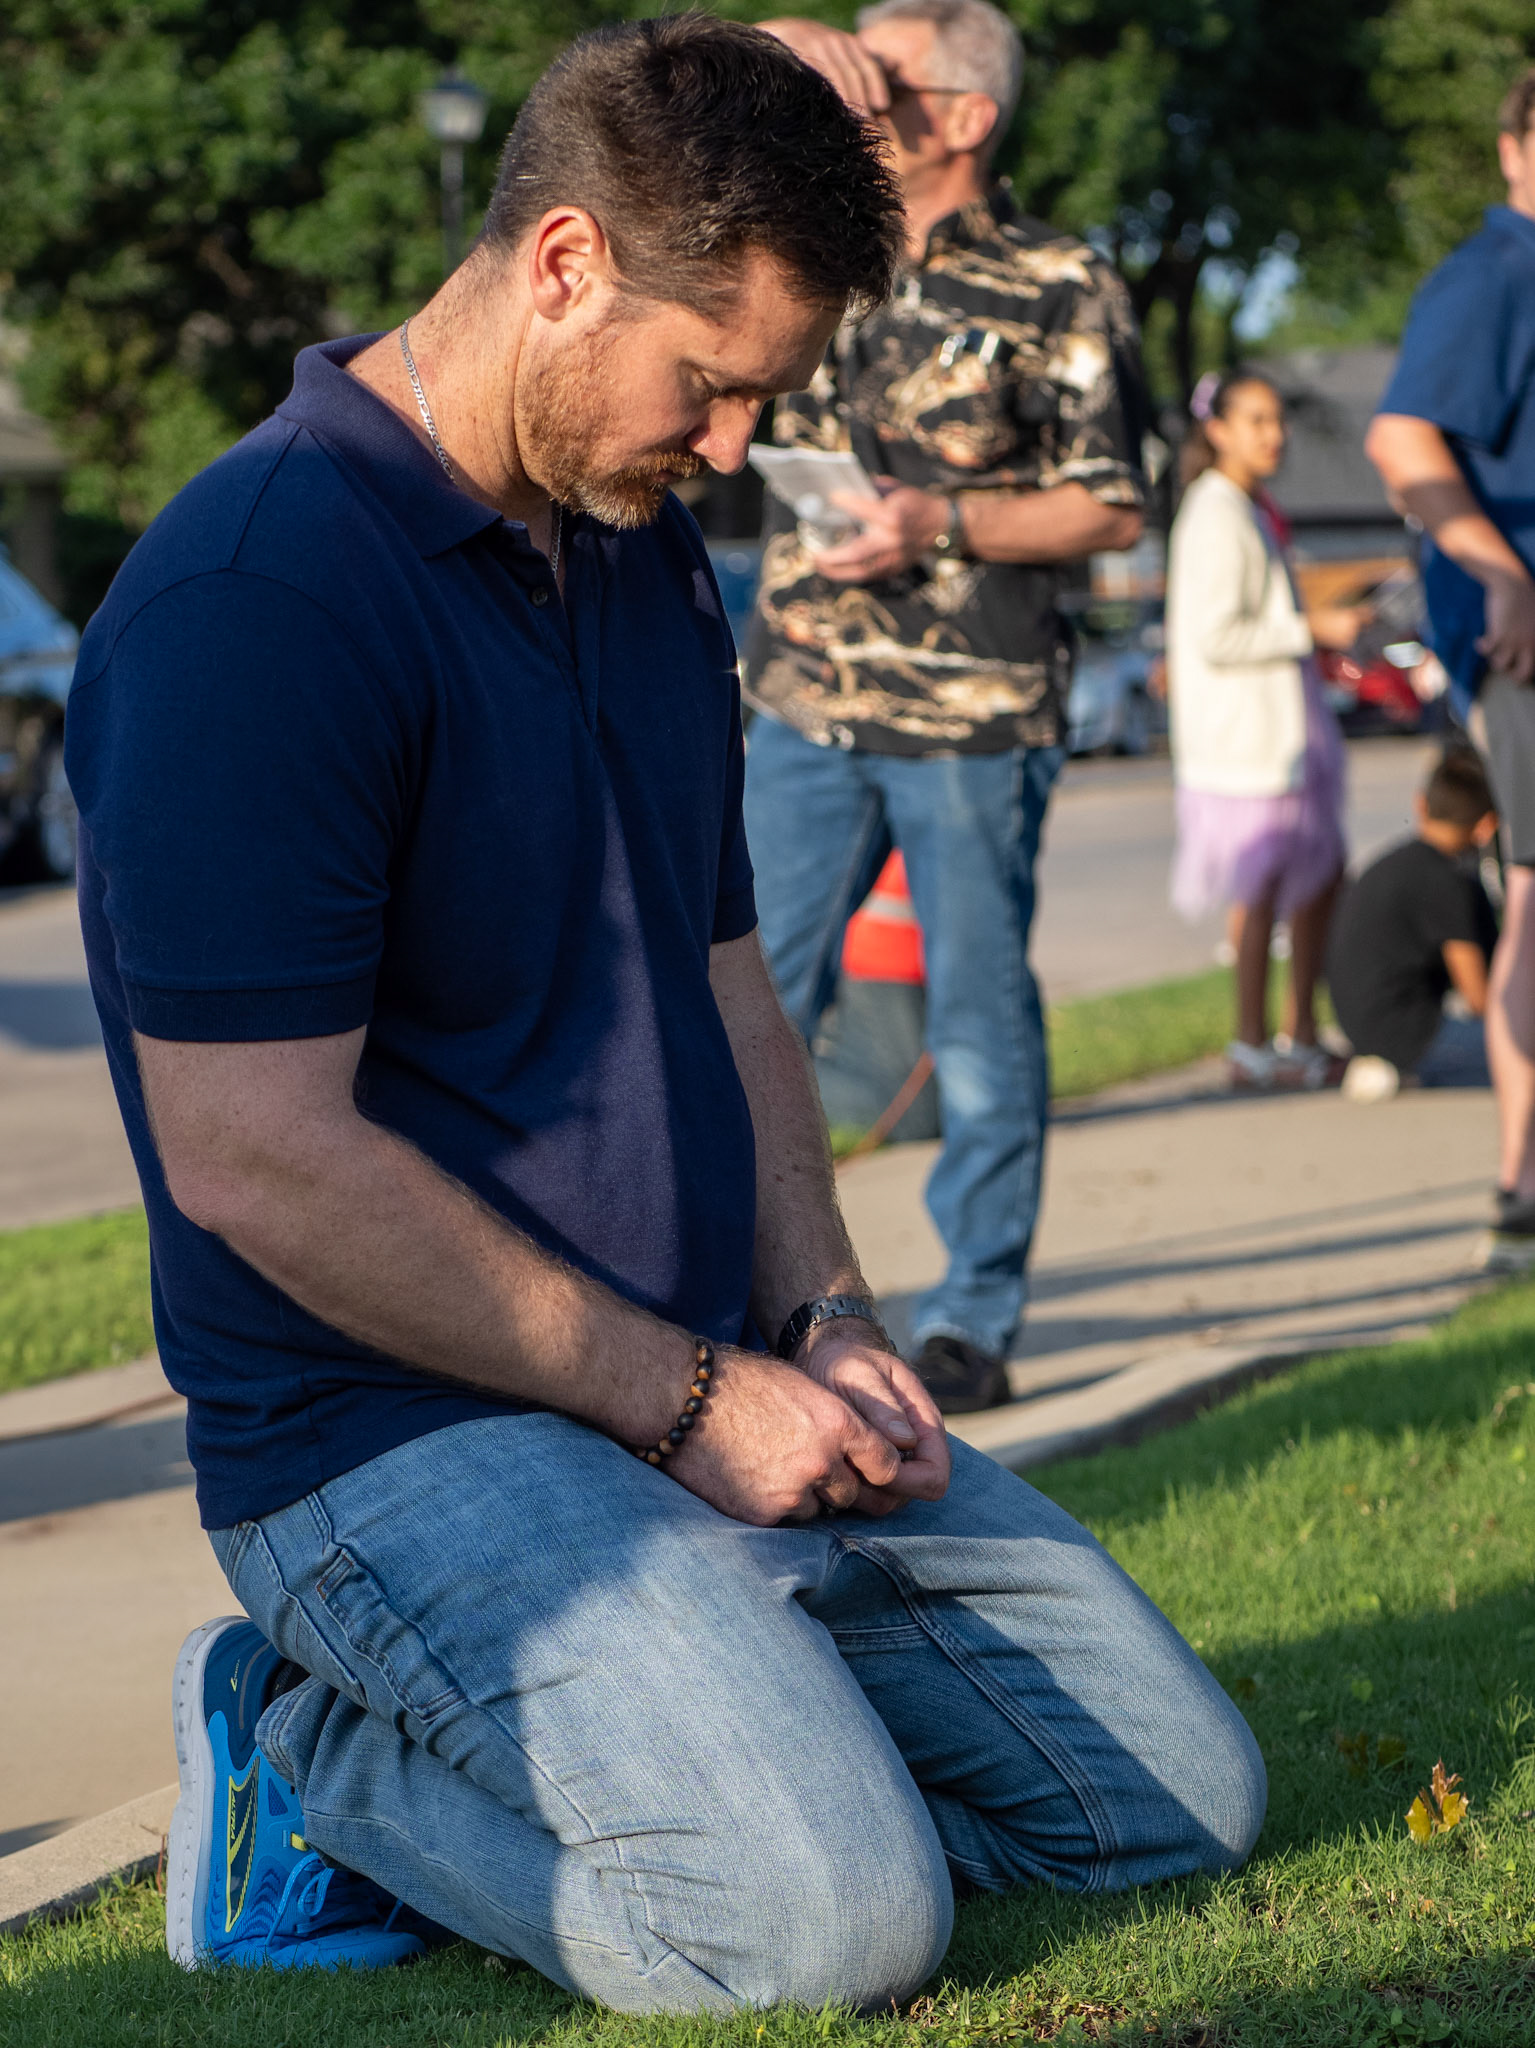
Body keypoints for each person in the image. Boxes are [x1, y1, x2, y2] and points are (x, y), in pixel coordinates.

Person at [68, 17, 1264, 2007]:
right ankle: (312, 1750)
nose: (730, 452)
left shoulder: (631, 546)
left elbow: (727, 982)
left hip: (709, 1386)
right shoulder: (255, 600)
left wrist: (827, 1320)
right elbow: (254, 1157)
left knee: (1163, 1803)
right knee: (824, 1926)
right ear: (559, 262)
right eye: (711, 388)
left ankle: (724, 1729)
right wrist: (689, 1403)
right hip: (390, 1434)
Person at [743, 0, 1149, 1413]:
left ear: (965, 116)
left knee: (972, 1019)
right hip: (800, 698)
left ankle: (971, 1318)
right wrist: (782, 38)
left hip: (973, 714)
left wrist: (942, 520)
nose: (856, 94)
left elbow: (1109, 505)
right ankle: (744, 1300)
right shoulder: (808, 235)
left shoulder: (1057, 278)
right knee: (741, 999)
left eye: (887, 76)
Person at [1366, 69, 1535, 1262]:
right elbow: (1398, 436)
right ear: (1513, 149)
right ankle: (1521, 1182)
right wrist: (1500, 571)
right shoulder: (1496, 273)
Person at [1166, 369, 1365, 1091]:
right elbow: (1218, 635)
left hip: (1279, 736)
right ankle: (1256, 1044)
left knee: (1313, 881)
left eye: (1275, 420)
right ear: (1215, 428)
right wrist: (1310, 627)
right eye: (1255, 420)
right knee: (1264, 893)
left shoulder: (1244, 506)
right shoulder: (1214, 511)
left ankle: (1295, 1033)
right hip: (1249, 743)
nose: (1271, 435)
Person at [1329, 747, 1499, 1103]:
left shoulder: (1397, 864)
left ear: (1420, 805)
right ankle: (1402, 1068)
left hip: (1363, 1027)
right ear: (1486, 825)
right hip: (1413, 1038)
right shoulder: (1447, 881)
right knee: (1517, 1056)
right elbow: (1479, 996)